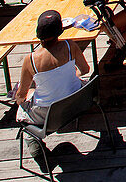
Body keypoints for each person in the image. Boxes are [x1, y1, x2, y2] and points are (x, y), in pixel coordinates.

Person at [14, 10, 90, 169]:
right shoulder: (70, 45)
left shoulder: (31, 60)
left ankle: (34, 142)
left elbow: (20, 96)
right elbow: (84, 69)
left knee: (21, 112)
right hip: (76, 101)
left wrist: (23, 98)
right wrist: (69, 76)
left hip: (48, 115)